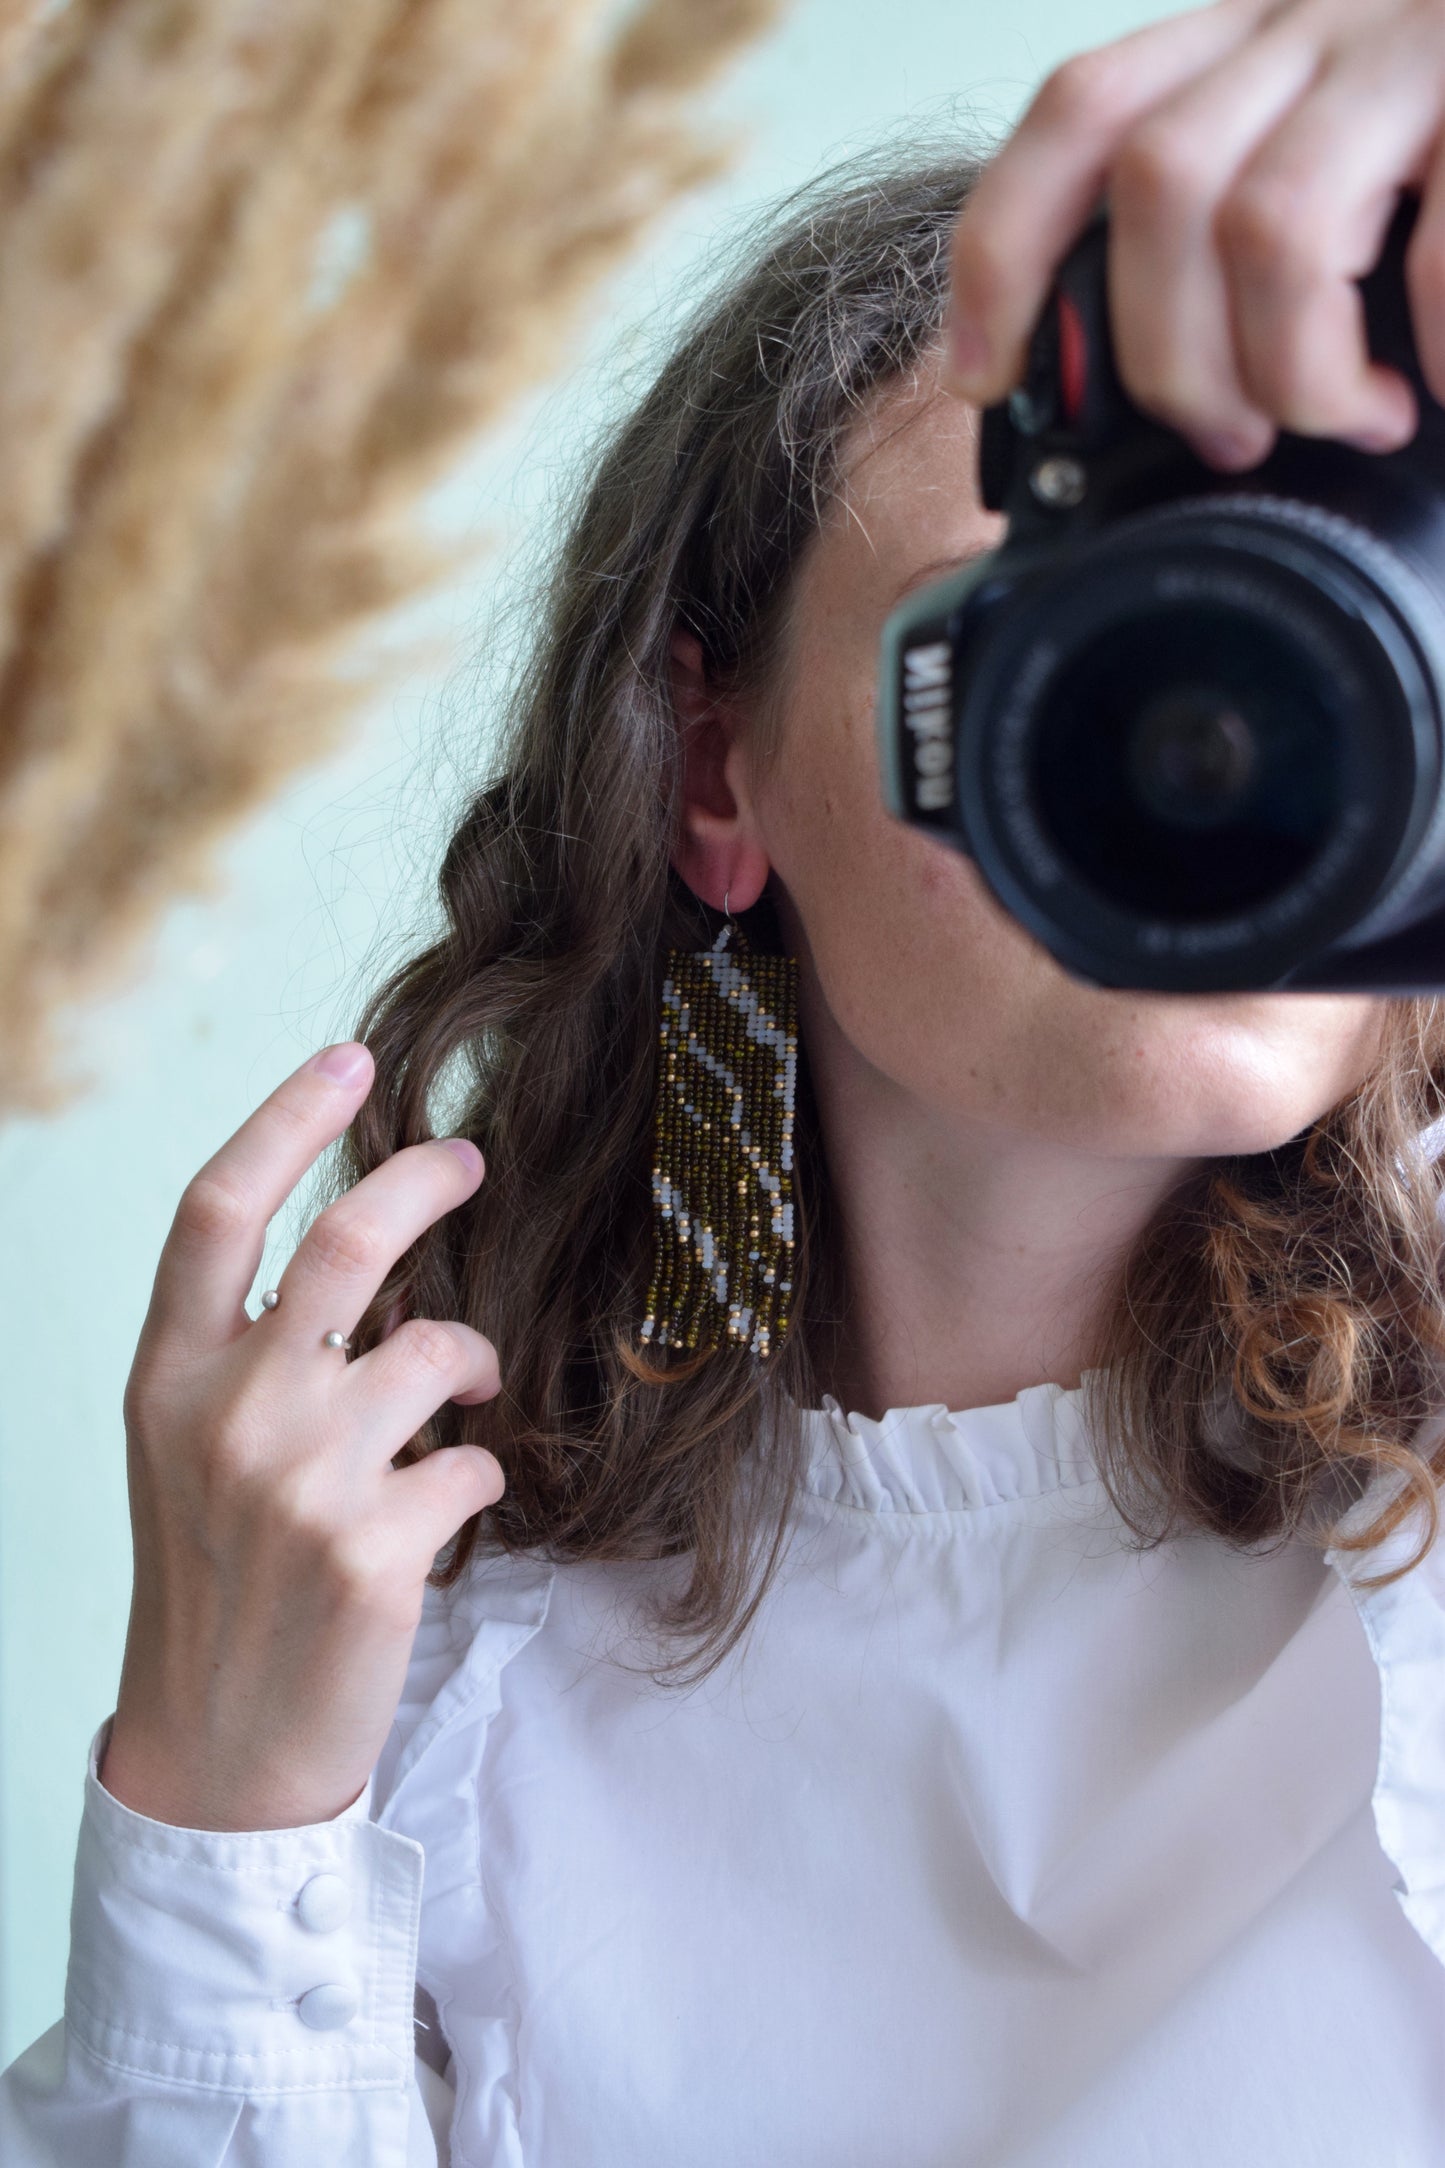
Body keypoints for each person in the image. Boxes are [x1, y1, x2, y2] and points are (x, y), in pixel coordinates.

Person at [7, 0, 1445, 2159]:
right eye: (1064, 663)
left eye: (1301, 650)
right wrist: (224, 1831)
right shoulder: (410, 1640)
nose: (1217, 772)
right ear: (717, 762)